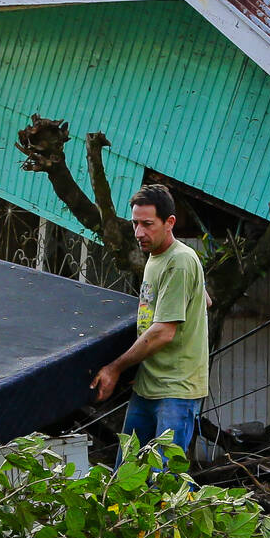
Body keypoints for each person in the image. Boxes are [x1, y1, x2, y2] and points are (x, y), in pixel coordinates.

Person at [91, 185, 209, 459]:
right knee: (126, 473)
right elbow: (204, 299)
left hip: (176, 390)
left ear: (170, 223)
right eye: (135, 223)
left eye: (147, 224)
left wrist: (114, 368)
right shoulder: (157, 258)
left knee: (163, 477)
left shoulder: (179, 261)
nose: (139, 233)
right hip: (147, 385)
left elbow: (163, 333)